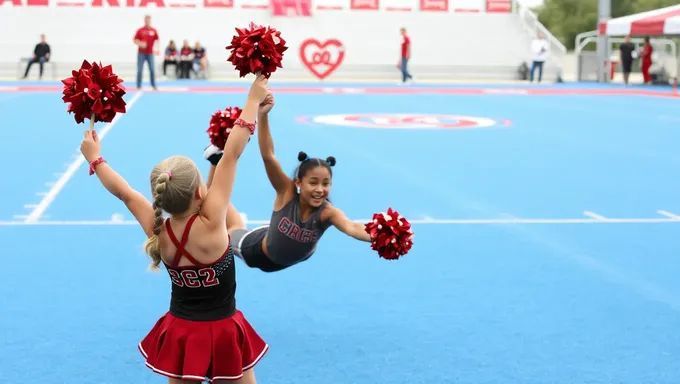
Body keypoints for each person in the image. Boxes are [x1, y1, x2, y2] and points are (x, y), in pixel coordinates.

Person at [81, 75, 271, 383]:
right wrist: (252, 100)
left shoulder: (159, 231)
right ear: (200, 192)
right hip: (223, 329)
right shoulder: (212, 222)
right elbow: (232, 154)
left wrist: (95, 158)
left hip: (182, 332)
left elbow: (125, 193)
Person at [203, 90, 372, 273]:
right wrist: (263, 114)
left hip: (278, 244)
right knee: (226, 228)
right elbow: (268, 156)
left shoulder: (327, 213)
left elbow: (352, 227)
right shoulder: (287, 192)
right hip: (256, 251)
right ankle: (216, 162)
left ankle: (237, 215)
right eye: (313, 182)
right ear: (299, 183)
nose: (320, 190)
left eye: (326, 184)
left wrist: (378, 235)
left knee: (235, 223)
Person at [133, 15, 159, 90]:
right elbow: (134, 40)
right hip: (141, 53)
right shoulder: (140, 30)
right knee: (140, 69)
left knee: (152, 69)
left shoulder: (153, 30)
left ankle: (153, 85)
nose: (147, 21)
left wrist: (157, 50)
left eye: (148, 20)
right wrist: (140, 44)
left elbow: (157, 40)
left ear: (150, 21)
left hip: (150, 53)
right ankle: (138, 85)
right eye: (146, 20)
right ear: (144, 20)